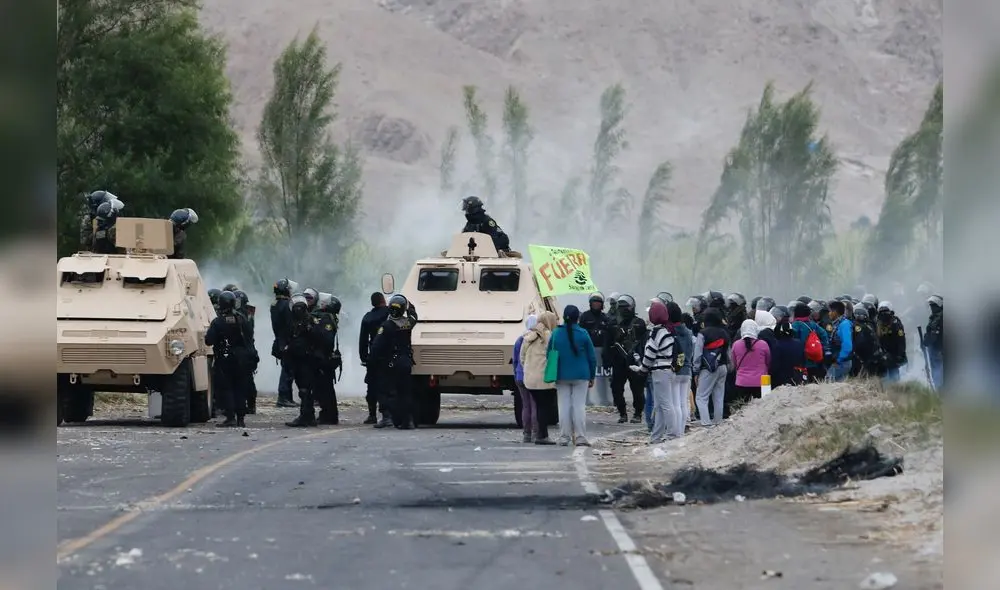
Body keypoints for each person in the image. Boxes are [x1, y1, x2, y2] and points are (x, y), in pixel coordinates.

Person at [630, 300, 681, 442]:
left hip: (659, 372)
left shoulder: (656, 333)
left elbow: (650, 353)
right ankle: (656, 436)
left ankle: (672, 434)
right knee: (659, 405)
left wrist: (642, 369)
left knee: (665, 404)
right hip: (667, 370)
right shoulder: (667, 331)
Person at [548, 305, 597, 446]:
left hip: (561, 374)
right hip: (581, 375)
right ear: (578, 318)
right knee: (579, 406)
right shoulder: (583, 333)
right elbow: (592, 357)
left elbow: (549, 354)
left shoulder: (556, 333)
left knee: (563, 406)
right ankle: (581, 437)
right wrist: (592, 376)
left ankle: (564, 437)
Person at [206, 291, 254, 428]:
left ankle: (230, 417)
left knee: (226, 388)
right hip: (242, 358)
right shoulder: (242, 319)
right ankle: (241, 418)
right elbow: (250, 336)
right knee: (240, 387)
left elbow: (209, 340)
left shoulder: (218, 322)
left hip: (225, 358)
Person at [370, 295, 419, 429]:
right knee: (406, 391)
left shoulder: (386, 325)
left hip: (392, 363)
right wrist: (409, 304)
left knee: (389, 391)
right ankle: (408, 420)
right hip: (406, 362)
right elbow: (414, 316)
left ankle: (389, 418)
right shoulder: (408, 323)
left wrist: (372, 362)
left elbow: (376, 347)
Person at [606, 294, 648, 424]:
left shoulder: (639, 323)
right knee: (616, 388)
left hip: (634, 361)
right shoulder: (612, 324)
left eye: (627, 307)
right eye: (622, 307)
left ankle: (637, 413)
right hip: (618, 361)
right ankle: (623, 413)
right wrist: (607, 361)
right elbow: (607, 344)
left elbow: (644, 342)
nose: (624, 310)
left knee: (637, 389)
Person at [519, 311, 559, 445]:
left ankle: (539, 434)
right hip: (544, 378)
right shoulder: (549, 336)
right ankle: (542, 435)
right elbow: (553, 357)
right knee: (544, 407)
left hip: (530, 379)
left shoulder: (528, 335)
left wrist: (528, 370)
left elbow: (522, 358)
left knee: (537, 405)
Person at [692, 308, 729, 426]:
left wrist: (696, 371)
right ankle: (718, 423)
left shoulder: (703, 333)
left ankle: (706, 424)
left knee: (701, 397)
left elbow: (697, 354)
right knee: (718, 397)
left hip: (708, 369)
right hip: (722, 367)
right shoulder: (724, 332)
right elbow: (728, 352)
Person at [359, 292, 392, 425]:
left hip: (373, 356)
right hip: (388, 354)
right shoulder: (390, 314)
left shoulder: (368, 317)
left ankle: (372, 414)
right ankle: (386, 414)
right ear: (383, 300)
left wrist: (364, 357)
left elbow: (363, 340)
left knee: (371, 386)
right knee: (386, 386)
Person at [270, 279, 298, 408]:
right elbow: (289, 325)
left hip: (280, 340)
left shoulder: (275, 303)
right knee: (287, 370)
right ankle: (283, 397)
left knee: (288, 369)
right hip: (287, 341)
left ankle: (288, 398)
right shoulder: (286, 305)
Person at [731, 319, 770, 408]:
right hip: (760, 382)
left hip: (742, 382)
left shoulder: (736, 344)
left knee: (743, 408)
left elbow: (734, 363)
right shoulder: (763, 344)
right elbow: (768, 361)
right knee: (760, 408)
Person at [513, 315, 539, 442]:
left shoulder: (520, 339)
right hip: (533, 376)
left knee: (525, 406)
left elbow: (515, 360)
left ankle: (526, 434)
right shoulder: (538, 339)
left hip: (520, 375)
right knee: (535, 405)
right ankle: (536, 432)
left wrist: (516, 373)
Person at [791, 302, 830, 382]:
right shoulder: (813, 324)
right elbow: (824, 334)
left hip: (802, 361)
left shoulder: (795, 325)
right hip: (814, 359)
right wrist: (821, 346)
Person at [875, 301, 908, 383]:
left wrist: (900, 354)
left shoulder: (896, 324)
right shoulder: (878, 323)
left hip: (894, 355)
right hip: (882, 355)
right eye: (881, 312)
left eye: (885, 311)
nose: (883, 314)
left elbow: (901, 340)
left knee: (894, 378)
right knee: (884, 379)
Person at [771, 321, 806, 387]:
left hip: (781, 380)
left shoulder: (777, 345)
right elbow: (804, 360)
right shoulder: (799, 344)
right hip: (797, 378)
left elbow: (774, 365)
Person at [850, 305, 881, 378]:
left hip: (864, 358)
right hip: (872, 357)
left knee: (861, 379)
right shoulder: (869, 325)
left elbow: (860, 343)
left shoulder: (859, 326)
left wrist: (855, 353)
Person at [827, 300, 854, 381]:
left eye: (831, 311)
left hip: (842, 362)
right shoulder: (838, 323)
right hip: (841, 361)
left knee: (828, 382)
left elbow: (847, 345)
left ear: (836, 312)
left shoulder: (844, 324)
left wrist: (838, 359)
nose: (829, 313)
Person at [923, 295, 944, 390]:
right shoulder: (935, 317)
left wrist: (925, 342)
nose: (931, 308)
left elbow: (933, 335)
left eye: (933, 305)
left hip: (938, 350)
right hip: (935, 350)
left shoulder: (939, 318)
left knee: (939, 373)